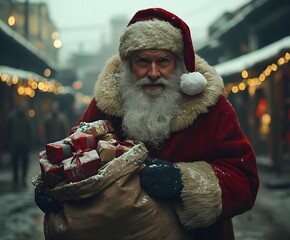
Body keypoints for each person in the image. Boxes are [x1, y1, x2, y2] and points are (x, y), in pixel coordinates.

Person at [35, 8, 259, 240]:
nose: (153, 72)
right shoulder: (105, 105)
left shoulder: (211, 108)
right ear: (129, 65)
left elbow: (245, 179)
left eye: (163, 61)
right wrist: (55, 187)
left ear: (179, 63)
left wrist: (183, 181)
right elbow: (74, 155)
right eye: (143, 61)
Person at [6, 102, 33, 188]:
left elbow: (30, 131)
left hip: (24, 144)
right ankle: (15, 177)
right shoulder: (12, 117)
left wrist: (30, 143)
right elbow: (8, 131)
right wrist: (9, 142)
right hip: (15, 143)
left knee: (25, 162)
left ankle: (23, 177)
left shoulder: (26, 118)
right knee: (15, 162)